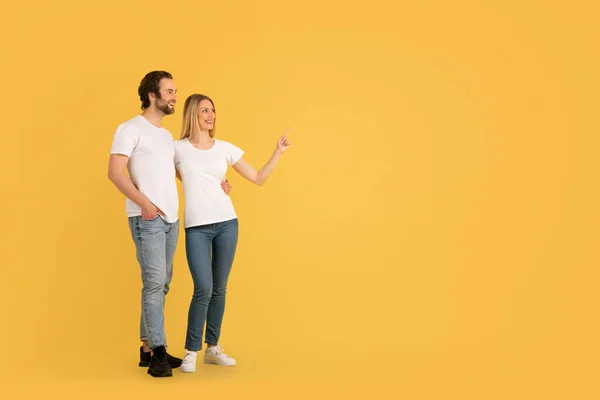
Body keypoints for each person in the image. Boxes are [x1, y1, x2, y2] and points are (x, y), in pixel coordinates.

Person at [107, 72, 232, 377]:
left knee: (161, 284)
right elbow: (115, 172)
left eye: (175, 91)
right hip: (146, 217)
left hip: (171, 220)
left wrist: (217, 183)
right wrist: (145, 204)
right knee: (153, 283)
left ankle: (147, 349)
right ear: (153, 95)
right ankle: (159, 353)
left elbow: (184, 171)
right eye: (170, 91)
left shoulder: (165, 136)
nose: (175, 96)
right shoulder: (129, 129)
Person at [174, 94, 291, 373]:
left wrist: (277, 152)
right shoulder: (176, 149)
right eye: (204, 110)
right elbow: (179, 176)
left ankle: (212, 349)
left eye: (213, 110)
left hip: (227, 222)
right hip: (196, 227)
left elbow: (259, 178)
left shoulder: (224, 148)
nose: (211, 114)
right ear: (192, 114)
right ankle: (191, 351)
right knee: (203, 287)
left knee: (219, 289)